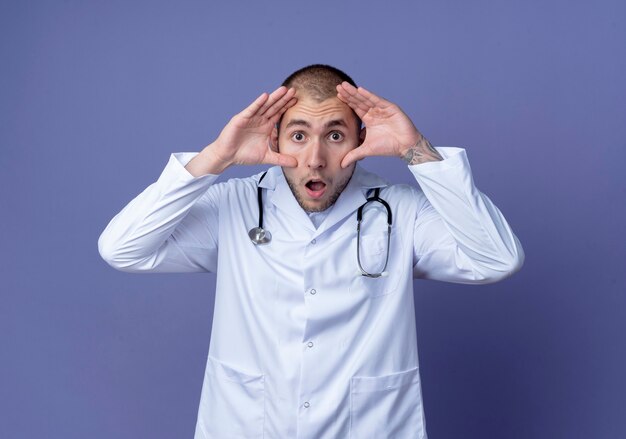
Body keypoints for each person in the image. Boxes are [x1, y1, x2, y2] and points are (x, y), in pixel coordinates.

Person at [98, 64, 524, 439]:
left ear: (361, 137)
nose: (315, 159)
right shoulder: (233, 206)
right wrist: (216, 157)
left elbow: (497, 258)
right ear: (275, 137)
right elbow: (122, 248)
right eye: (299, 135)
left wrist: (417, 152)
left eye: (335, 135)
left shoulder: (401, 209)